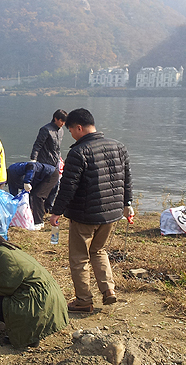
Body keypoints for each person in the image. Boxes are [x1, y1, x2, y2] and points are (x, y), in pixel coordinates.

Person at [48, 108, 133, 313]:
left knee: (79, 257)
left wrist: (56, 212)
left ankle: (84, 301)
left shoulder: (78, 152)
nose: (71, 134)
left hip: (85, 215)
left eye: (70, 131)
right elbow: (127, 179)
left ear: (79, 127)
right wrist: (127, 204)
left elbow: (68, 186)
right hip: (112, 213)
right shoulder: (119, 147)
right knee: (99, 250)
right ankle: (109, 290)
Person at [0, 219, 68, 348]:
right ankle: (29, 331)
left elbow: (1, 289)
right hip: (43, 300)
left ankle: (28, 334)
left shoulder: (3, 256)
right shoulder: (0, 251)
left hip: (42, 304)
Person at [30, 109, 67, 212]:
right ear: (55, 119)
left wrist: (60, 159)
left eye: (64, 122)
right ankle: (35, 206)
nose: (63, 124)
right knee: (41, 185)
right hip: (44, 162)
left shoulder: (61, 131)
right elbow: (37, 145)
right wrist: (33, 159)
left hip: (55, 162)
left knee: (55, 185)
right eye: (61, 121)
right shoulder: (46, 130)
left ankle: (48, 207)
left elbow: (58, 148)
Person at [6, 161, 59, 230]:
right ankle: (33, 218)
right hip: (38, 180)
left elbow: (31, 166)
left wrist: (27, 181)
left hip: (50, 174)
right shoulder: (10, 182)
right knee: (30, 197)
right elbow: (13, 196)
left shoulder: (14, 169)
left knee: (38, 196)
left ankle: (39, 222)